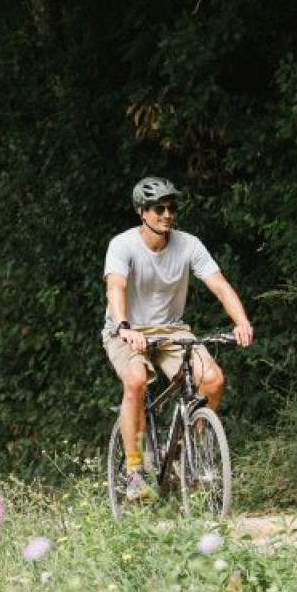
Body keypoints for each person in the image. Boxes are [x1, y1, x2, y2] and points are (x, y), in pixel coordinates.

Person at [103, 176, 254, 501]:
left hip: (172, 330)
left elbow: (219, 284)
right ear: (141, 212)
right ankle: (133, 470)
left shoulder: (188, 244)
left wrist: (241, 321)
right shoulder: (123, 245)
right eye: (159, 208)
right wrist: (125, 326)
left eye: (171, 207)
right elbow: (115, 287)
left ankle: (188, 452)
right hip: (127, 329)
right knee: (136, 380)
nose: (167, 214)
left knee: (211, 380)